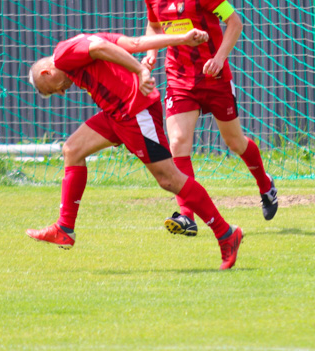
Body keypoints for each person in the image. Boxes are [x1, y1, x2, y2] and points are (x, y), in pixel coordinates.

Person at [27, 28, 244, 270]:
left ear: (47, 72)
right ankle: (64, 228)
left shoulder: (63, 55)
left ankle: (226, 234)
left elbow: (100, 48)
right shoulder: (78, 44)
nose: (61, 92)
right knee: (72, 150)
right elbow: (135, 42)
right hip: (115, 114)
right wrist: (181, 39)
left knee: (169, 179)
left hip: (134, 111)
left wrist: (140, 69)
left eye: (52, 89)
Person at [141, 0, 276, 237]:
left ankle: (265, 185)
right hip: (178, 78)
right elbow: (154, 27)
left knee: (235, 142)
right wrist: (151, 52)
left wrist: (218, 58)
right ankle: (186, 215)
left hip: (214, 78)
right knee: (177, 142)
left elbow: (235, 23)